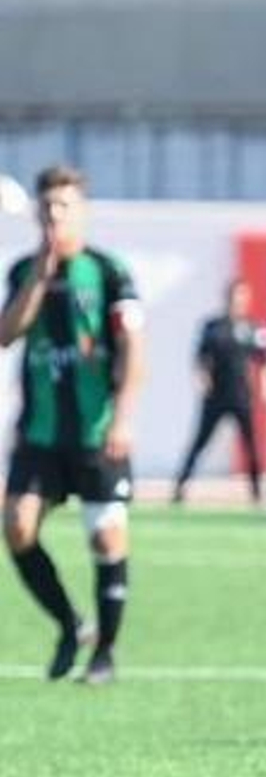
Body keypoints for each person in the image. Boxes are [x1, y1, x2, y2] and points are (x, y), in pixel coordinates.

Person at [1, 165, 145, 684]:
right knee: (16, 527)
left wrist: (123, 418)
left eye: (64, 206)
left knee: (107, 540)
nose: (54, 215)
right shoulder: (23, 273)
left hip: (96, 432)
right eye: (47, 207)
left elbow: (134, 350)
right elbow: (7, 334)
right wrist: (40, 273)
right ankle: (70, 624)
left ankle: (104, 653)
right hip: (41, 434)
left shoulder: (109, 272)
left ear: (81, 211)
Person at [172, 278, 266, 504]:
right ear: (227, 298)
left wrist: (264, 386)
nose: (239, 301)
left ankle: (256, 494)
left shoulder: (253, 328)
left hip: (242, 396)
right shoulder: (213, 326)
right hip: (216, 396)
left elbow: (264, 360)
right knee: (199, 443)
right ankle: (179, 488)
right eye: (235, 296)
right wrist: (203, 381)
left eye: (243, 296)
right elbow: (200, 358)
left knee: (251, 446)